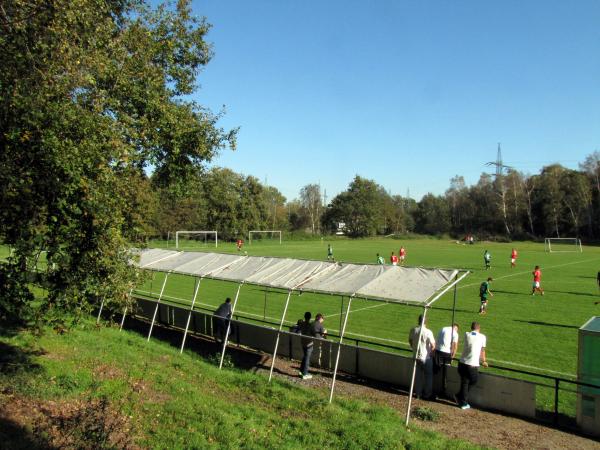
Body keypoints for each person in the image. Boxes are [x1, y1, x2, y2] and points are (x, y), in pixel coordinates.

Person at [456, 322, 488, 410]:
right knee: (473, 381)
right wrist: (484, 361)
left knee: (465, 382)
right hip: (472, 364)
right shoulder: (482, 337)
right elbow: (483, 350)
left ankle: (462, 399)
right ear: (479, 328)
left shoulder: (467, 334)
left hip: (462, 363)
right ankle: (462, 400)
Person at [408, 315, 436, 400]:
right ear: (426, 322)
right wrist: (431, 353)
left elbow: (410, 340)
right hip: (426, 357)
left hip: (416, 356)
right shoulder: (428, 332)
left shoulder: (413, 330)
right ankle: (427, 394)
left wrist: (413, 348)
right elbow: (433, 345)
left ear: (418, 321)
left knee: (418, 376)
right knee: (428, 376)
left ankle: (418, 394)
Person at [435, 323, 459, 395]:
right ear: (456, 328)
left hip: (438, 351)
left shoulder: (443, 328)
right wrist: (452, 357)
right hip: (446, 354)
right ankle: (443, 390)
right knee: (445, 372)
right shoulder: (455, 333)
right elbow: (455, 347)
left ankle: (435, 390)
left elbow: (437, 339)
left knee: (437, 372)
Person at [298, 312, 314, 379]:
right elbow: (313, 333)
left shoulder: (302, 324)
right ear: (310, 317)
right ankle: (305, 373)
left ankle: (301, 371)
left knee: (305, 357)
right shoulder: (310, 325)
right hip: (309, 344)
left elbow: (298, 328)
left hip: (303, 342)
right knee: (307, 358)